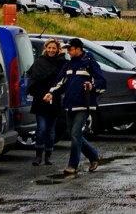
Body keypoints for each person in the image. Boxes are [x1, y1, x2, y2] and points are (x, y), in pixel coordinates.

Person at [43, 38, 106, 176]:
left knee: (76, 134)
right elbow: (60, 82)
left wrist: (92, 86)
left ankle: (72, 165)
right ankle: (94, 156)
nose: (68, 52)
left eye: (70, 49)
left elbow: (101, 82)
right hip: (69, 104)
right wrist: (51, 93)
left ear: (78, 49)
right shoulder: (69, 65)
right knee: (74, 135)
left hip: (84, 105)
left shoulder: (90, 63)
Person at [27, 38, 66, 166]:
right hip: (40, 100)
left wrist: (61, 56)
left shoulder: (60, 63)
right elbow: (33, 80)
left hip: (54, 100)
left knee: (51, 131)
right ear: (45, 48)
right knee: (41, 129)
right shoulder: (39, 62)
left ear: (58, 49)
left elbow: (63, 79)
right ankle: (38, 155)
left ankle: (48, 155)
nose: (51, 50)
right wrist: (41, 95)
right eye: (49, 47)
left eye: (54, 48)